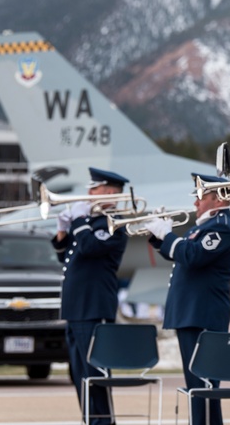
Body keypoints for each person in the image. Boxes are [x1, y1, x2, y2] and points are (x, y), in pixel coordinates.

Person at [143, 172, 230, 425]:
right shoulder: (206, 226)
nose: (196, 203)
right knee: (198, 388)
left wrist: (167, 234)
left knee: (203, 388)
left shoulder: (222, 226)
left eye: (201, 197)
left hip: (203, 314)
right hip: (193, 314)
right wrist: (159, 236)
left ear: (219, 199)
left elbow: (193, 256)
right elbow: (183, 254)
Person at [51, 167, 130, 425]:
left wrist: (79, 222)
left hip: (94, 307)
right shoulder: (90, 221)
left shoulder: (113, 222)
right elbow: (69, 256)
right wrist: (62, 232)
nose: (88, 193)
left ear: (108, 192)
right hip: (76, 308)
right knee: (79, 374)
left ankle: (103, 422)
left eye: (94, 189)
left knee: (95, 373)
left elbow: (89, 248)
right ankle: (91, 421)